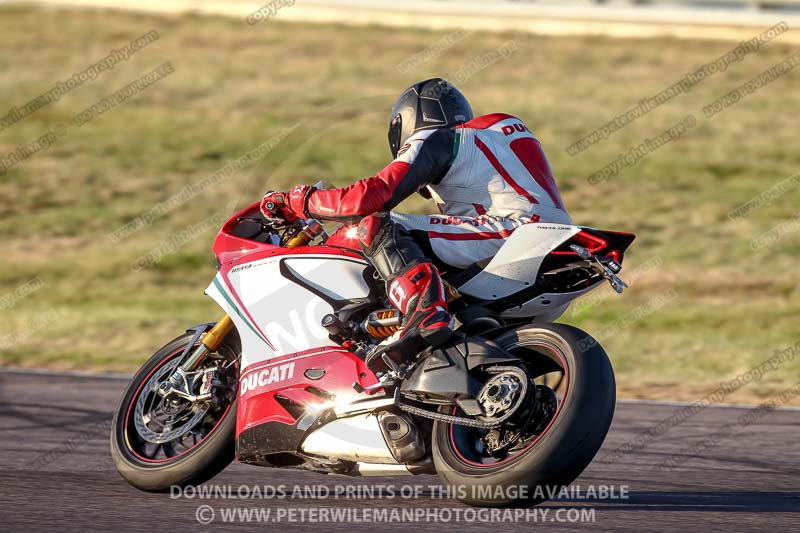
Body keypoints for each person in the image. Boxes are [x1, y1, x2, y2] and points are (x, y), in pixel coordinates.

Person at [260, 78, 571, 368]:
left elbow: (368, 198)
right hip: (555, 248)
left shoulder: (439, 137)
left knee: (372, 223)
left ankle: (422, 310)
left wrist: (299, 201)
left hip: (511, 234)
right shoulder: (501, 134)